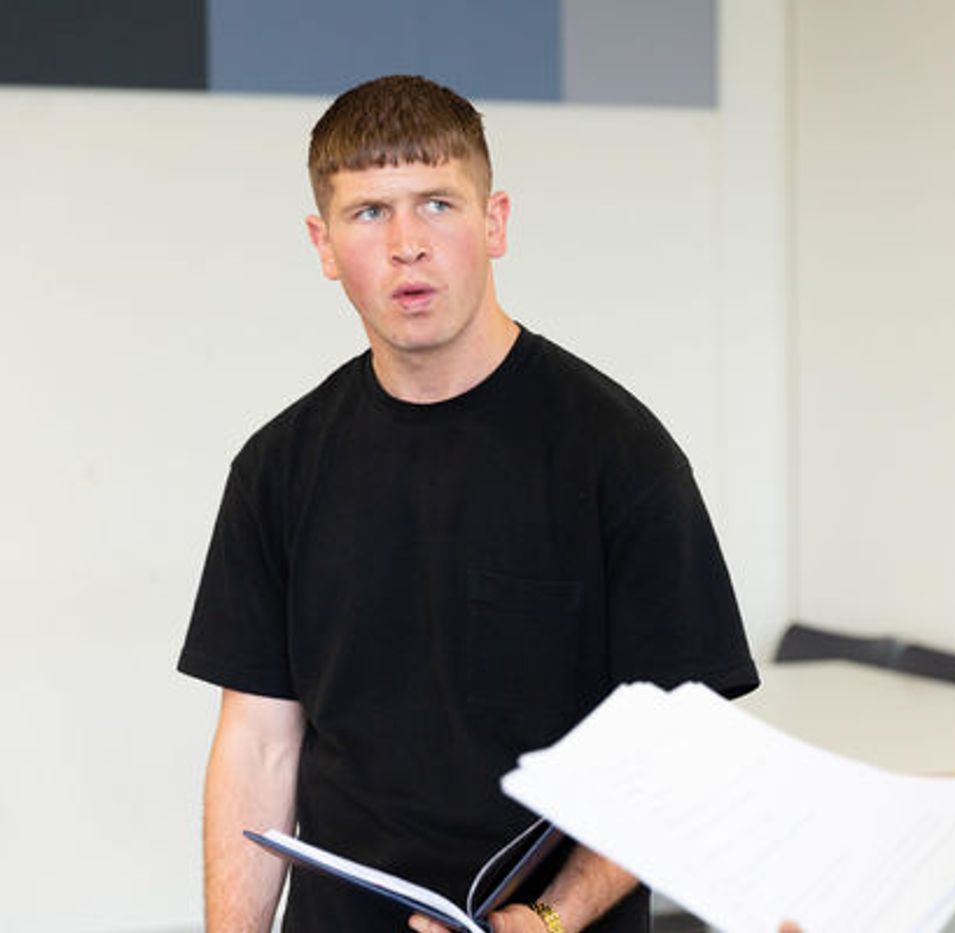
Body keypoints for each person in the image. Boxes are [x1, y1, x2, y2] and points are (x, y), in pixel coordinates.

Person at [178, 74, 759, 933]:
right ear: (323, 243)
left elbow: (677, 749)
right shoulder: (278, 468)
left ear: (495, 224)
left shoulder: (620, 455)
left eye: (438, 204)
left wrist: (550, 916)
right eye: (369, 212)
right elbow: (259, 745)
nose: (407, 245)